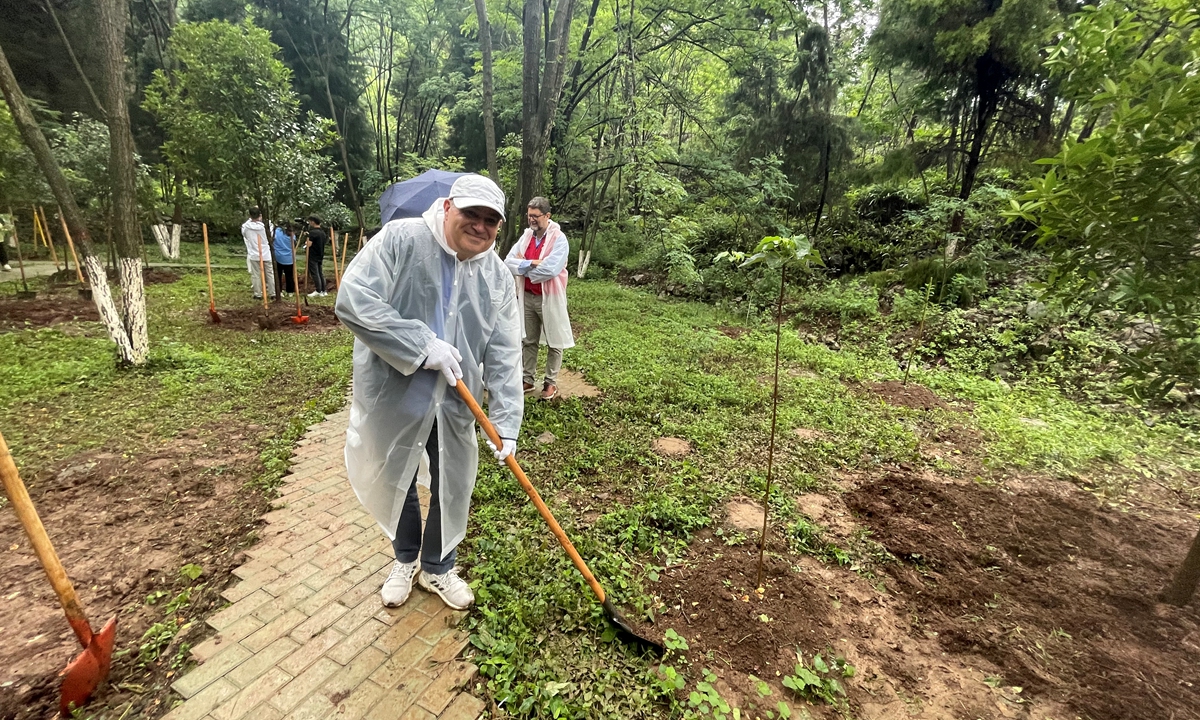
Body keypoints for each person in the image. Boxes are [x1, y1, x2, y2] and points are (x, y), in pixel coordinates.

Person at [335, 174, 523, 611]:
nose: (480, 226)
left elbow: (504, 352)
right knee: (393, 472)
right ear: (447, 207)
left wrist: (507, 422)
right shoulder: (401, 240)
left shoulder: (496, 274)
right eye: (470, 214)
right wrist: (420, 344)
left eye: (490, 220)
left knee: (452, 480)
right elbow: (353, 299)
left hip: (456, 399)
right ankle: (404, 559)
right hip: (394, 387)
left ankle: (438, 567)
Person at [504, 197, 575, 400]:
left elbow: (550, 270)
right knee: (528, 339)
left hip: (550, 296)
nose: (532, 220)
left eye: (536, 216)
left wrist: (524, 267)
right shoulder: (526, 237)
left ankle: (550, 383)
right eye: (529, 216)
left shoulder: (558, 239)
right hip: (526, 296)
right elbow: (509, 261)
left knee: (555, 339)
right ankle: (527, 379)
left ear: (547, 216)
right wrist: (533, 263)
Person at [241, 207, 275, 299]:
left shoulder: (246, 226)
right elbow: (271, 235)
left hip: (254, 253)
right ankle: (273, 293)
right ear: (260, 215)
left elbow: (245, 235)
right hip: (266, 253)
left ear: (250, 215)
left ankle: (258, 294)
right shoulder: (266, 226)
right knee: (270, 274)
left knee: (256, 275)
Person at [305, 216, 328, 297]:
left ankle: (318, 290)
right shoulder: (323, 233)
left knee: (315, 273)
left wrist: (306, 241)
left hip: (313, 255)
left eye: (310, 221)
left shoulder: (313, 232)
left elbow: (309, 244)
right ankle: (324, 290)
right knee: (320, 272)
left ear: (313, 222)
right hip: (320, 254)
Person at [273, 221, 296, 296]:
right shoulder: (292, 234)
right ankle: (290, 291)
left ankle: (279, 291)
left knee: (278, 275)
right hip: (289, 258)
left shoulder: (276, 232)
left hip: (278, 256)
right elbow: (294, 245)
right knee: (289, 275)